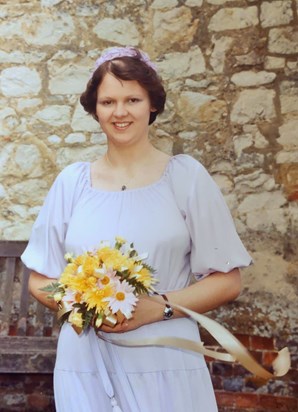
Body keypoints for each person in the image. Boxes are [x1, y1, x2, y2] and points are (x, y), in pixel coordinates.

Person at [21, 46, 252, 412]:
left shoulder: (185, 177)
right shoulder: (71, 183)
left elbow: (228, 280)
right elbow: (38, 278)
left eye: (132, 99)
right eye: (108, 102)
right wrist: (87, 305)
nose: (120, 112)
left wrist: (154, 308)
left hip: (166, 357)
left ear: (153, 105)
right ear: (95, 109)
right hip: (84, 360)